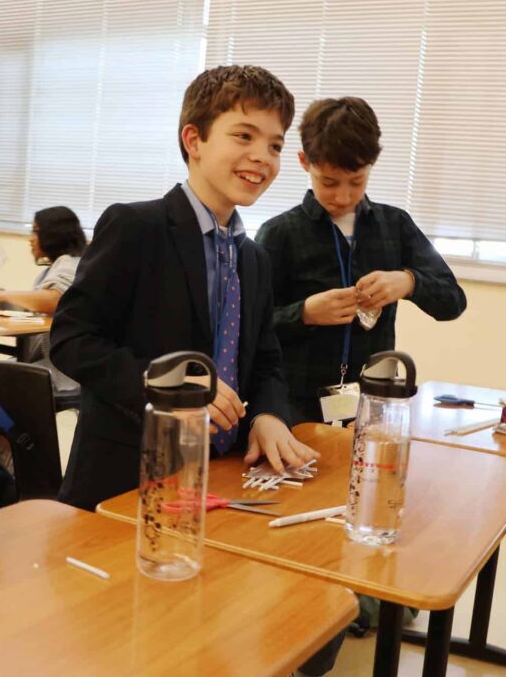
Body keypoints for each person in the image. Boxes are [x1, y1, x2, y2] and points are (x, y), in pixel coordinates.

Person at [50, 65, 318, 512]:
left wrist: (269, 415)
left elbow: (266, 360)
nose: (262, 157)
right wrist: (172, 387)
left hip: (225, 475)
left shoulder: (252, 258)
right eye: (244, 136)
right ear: (194, 140)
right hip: (127, 479)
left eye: (275, 145)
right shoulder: (136, 227)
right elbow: (72, 340)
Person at [256, 97, 467, 424]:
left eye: (356, 182)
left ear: (371, 165)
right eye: (328, 182)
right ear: (303, 161)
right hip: (297, 408)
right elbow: (250, 328)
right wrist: (305, 314)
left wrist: (409, 281)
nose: (342, 197)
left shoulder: (395, 225)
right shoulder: (279, 234)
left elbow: (453, 302)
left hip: (376, 404)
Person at [0, 205, 85, 401]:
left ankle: (4, 432)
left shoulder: (70, 263)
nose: (30, 238)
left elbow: (54, 300)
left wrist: (5, 294)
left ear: (52, 234)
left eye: (35, 231)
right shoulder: (55, 267)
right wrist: (2, 295)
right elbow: (36, 310)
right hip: (43, 360)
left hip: (60, 370)